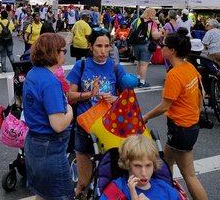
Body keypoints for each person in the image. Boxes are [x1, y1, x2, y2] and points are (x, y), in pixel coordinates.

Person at [67, 29, 138, 198]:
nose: (103, 50)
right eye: (99, 46)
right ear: (91, 47)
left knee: (107, 179)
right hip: (85, 128)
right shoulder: (81, 65)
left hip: (109, 129)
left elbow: (126, 98)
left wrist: (115, 98)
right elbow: (70, 95)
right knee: (83, 183)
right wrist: (89, 94)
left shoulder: (115, 67)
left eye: (107, 46)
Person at [143, 31, 208, 200]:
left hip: (182, 128)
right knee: (165, 163)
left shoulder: (174, 74)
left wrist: (145, 116)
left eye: (163, 45)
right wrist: (197, 111)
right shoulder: (189, 66)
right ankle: (168, 194)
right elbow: (202, 91)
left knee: (189, 175)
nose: (160, 47)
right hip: (187, 126)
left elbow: (165, 105)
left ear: (171, 50)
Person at [22, 33, 74, 200]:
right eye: (63, 51)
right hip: (50, 147)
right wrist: (70, 111)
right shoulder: (50, 82)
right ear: (54, 53)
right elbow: (58, 125)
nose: (65, 54)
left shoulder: (33, 74)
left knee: (42, 193)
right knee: (60, 194)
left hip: (33, 143)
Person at [100, 135, 180, 200]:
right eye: (137, 166)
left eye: (148, 165)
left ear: (154, 164)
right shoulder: (115, 189)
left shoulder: (165, 189)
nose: (144, 173)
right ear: (127, 164)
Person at [129, 7, 161, 88]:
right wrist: (160, 31)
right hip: (146, 44)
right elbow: (155, 36)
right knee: (144, 64)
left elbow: (131, 29)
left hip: (135, 44)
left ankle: (138, 79)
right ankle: (142, 82)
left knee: (139, 63)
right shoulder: (152, 23)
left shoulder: (136, 20)